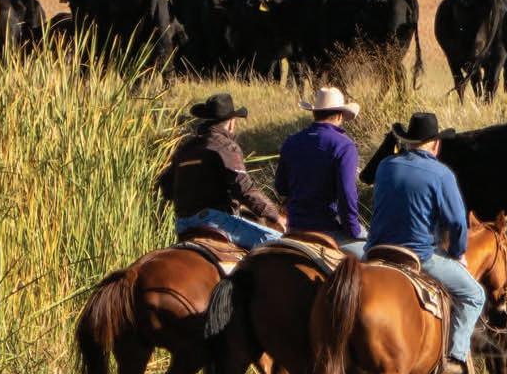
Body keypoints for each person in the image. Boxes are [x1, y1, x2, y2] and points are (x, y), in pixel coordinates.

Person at [366, 110, 484, 374]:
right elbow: (457, 223)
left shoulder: (385, 166)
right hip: (419, 256)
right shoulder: (441, 174)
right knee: (474, 295)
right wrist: (457, 253)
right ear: (436, 144)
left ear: (407, 141)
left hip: (375, 251)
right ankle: (455, 358)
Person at [156, 92, 283, 250]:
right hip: (214, 220)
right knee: (280, 244)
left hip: (182, 224)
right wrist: (274, 215)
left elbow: (166, 188)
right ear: (231, 123)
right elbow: (244, 190)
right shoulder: (226, 146)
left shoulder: (185, 149)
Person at [274, 86, 366, 254]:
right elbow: (347, 195)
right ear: (339, 115)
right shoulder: (344, 146)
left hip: (295, 227)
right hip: (328, 229)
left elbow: (281, 187)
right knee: (371, 256)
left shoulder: (291, 141)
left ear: (314, 113)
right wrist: (353, 230)